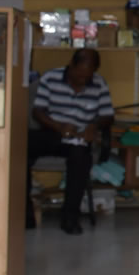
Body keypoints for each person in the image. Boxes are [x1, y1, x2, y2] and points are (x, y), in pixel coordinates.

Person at [26, 48, 114, 235]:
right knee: (20, 147)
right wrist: (58, 126)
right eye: (79, 75)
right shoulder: (51, 78)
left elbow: (107, 115)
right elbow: (38, 111)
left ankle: (69, 218)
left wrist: (94, 126)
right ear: (71, 66)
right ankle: (25, 214)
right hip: (52, 131)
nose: (82, 81)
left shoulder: (99, 84)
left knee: (81, 159)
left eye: (87, 77)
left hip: (80, 137)